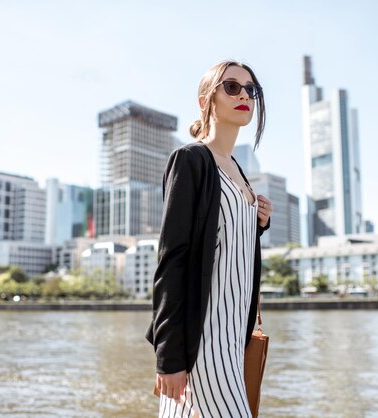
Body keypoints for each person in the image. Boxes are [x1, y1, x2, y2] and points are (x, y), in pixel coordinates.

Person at [145, 60, 273, 417]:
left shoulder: (238, 171)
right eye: (231, 87)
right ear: (206, 99)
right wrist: (169, 357)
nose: (244, 94)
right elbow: (174, 259)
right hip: (204, 341)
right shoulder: (191, 160)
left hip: (234, 338)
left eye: (252, 89)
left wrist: (258, 224)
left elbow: (224, 247)